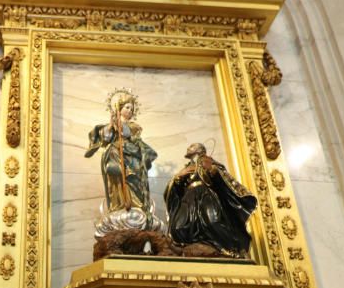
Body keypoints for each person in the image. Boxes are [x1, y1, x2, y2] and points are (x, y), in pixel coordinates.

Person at [85, 91, 163, 234]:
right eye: (127, 107)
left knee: (133, 180)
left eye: (132, 109)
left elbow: (130, 136)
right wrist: (111, 124)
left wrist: (121, 126)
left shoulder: (134, 126)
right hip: (115, 155)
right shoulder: (111, 124)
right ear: (119, 108)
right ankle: (119, 205)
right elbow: (105, 137)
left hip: (132, 158)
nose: (129, 111)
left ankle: (136, 205)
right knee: (118, 181)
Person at [164, 143, 258, 257]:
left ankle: (230, 249)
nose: (188, 148)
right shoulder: (186, 168)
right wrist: (178, 178)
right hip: (188, 199)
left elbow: (222, 176)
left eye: (192, 146)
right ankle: (188, 247)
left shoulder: (209, 161)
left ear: (200, 150)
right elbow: (175, 188)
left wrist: (211, 169)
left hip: (205, 196)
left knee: (213, 222)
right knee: (178, 227)